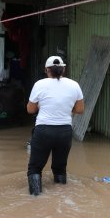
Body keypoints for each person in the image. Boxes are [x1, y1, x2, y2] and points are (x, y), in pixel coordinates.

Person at [26, 55, 84, 196]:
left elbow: (30, 110)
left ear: (47, 70)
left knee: (35, 168)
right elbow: (80, 109)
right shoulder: (74, 85)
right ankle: (61, 198)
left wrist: (41, 105)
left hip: (43, 131)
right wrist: (67, 110)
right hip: (64, 132)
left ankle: (35, 199)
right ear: (63, 69)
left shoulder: (39, 84)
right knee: (59, 168)